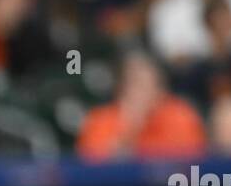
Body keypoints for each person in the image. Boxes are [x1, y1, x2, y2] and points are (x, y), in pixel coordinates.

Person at [75, 50, 207, 160]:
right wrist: (129, 130)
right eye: (136, 84)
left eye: (150, 85)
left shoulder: (180, 115)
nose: (143, 93)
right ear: (121, 89)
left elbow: (193, 164)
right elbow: (94, 174)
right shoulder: (100, 120)